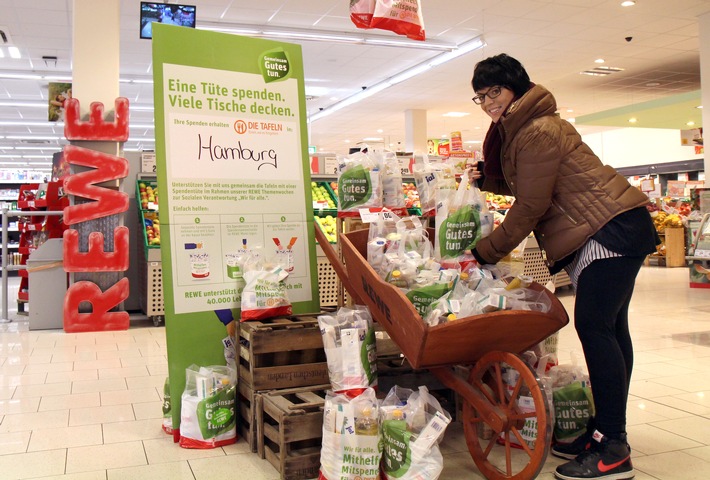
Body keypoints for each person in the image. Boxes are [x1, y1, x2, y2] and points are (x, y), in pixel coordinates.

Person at [468, 53, 658, 480]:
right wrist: (488, 179)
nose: (488, 103)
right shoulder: (526, 131)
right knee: (610, 329)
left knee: (595, 327)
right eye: (480, 97)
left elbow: (531, 204)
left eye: (493, 92)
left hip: (607, 231)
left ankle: (613, 448)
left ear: (516, 86)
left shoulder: (537, 129)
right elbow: (529, 180)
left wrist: (485, 252)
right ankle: (605, 432)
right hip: (613, 228)